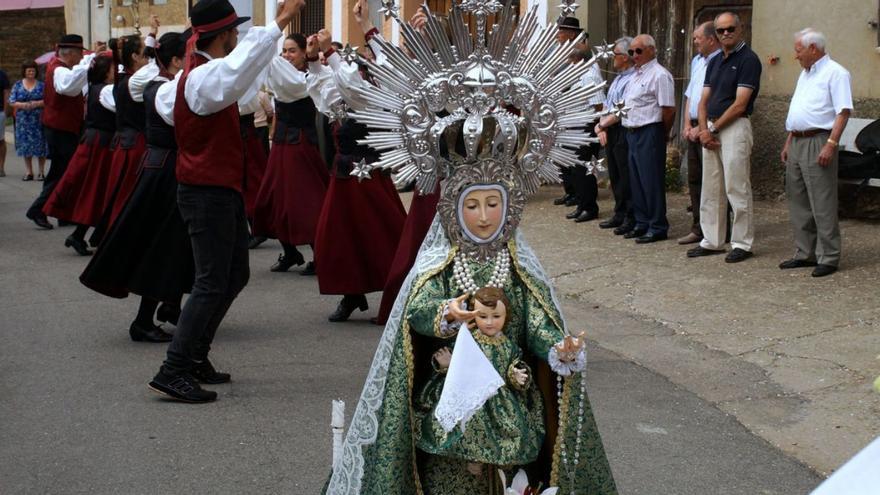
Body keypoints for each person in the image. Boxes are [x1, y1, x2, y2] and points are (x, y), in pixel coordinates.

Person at [147, 0, 304, 404]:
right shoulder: (203, 77)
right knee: (212, 281)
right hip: (206, 191)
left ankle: (195, 355)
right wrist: (280, 23)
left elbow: (241, 79)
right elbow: (236, 73)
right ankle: (174, 367)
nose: (238, 36)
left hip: (217, 189)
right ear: (223, 35)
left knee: (234, 276)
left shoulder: (199, 75)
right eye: (234, 30)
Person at [80, 31, 193, 343]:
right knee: (161, 243)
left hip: (163, 165)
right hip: (163, 169)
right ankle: (146, 319)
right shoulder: (156, 83)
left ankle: (170, 306)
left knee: (174, 243)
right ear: (174, 60)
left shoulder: (158, 80)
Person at [306, 13, 406, 322]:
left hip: (369, 177)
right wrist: (313, 59)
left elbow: (354, 84)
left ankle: (400, 293)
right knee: (338, 237)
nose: (358, 66)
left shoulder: (375, 94)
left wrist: (358, 33)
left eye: (363, 62)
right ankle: (352, 294)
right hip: (343, 175)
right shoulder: (343, 94)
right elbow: (323, 89)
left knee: (382, 236)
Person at [415, 287, 543, 481]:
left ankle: (506, 457)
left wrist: (515, 374)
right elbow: (459, 365)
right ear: (475, 316)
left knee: (514, 426)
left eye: (496, 316)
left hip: (500, 398)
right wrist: (446, 364)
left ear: (506, 316)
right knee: (470, 424)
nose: (490, 322)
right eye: (483, 316)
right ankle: (474, 459)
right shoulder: (468, 339)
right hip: (471, 394)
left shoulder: (509, 346)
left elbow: (512, 364)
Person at [252, 32, 329, 274]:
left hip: (300, 147)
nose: (286, 55)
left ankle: (321, 257)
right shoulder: (285, 77)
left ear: (304, 54)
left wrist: (276, 24)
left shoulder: (303, 80)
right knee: (272, 199)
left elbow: (280, 75)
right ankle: (290, 252)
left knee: (305, 203)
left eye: (292, 50)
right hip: (283, 145)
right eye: (284, 50)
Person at [690, 12, 762, 263]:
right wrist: (703, 129)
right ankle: (712, 240)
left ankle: (742, 243)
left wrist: (713, 129)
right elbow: (703, 99)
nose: (726, 33)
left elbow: (740, 104)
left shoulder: (749, 60)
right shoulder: (715, 61)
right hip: (711, 127)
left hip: (733, 128)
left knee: (736, 186)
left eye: (730, 28)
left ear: (739, 29)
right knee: (711, 189)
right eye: (720, 30)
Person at [780, 29, 852, 278]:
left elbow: (843, 111)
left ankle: (829, 256)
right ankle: (805, 253)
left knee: (822, 201)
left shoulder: (837, 73)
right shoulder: (805, 73)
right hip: (798, 141)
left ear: (813, 48)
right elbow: (800, 110)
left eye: (798, 50)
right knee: (798, 200)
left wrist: (831, 143)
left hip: (819, 140)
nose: (795, 55)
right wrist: (789, 141)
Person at [41, 53, 116, 256]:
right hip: (100, 144)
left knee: (96, 190)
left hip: (97, 142)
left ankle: (85, 235)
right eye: (112, 68)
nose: (115, 71)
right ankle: (82, 235)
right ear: (104, 71)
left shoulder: (95, 89)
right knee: (95, 190)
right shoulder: (106, 91)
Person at [25, 34, 92, 230]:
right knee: (61, 173)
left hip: (62, 128)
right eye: (80, 53)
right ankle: (38, 209)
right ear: (70, 54)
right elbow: (67, 88)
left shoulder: (59, 67)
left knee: (64, 172)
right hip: (60, 129)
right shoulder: (60, 70)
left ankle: (62, 212)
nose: (81, 57)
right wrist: (86, 65)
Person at [619, 34, 675, 244]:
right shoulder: (635, 76)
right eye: (631, 52)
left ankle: (657, 225)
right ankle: (642, 222)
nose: (634, 55)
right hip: (632, 131)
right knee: (636, 180)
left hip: (650, 130)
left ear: (651, 50)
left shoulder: (660, 75)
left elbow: (668, 109)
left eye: (639, 51)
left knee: (651, 181)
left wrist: (662, 132)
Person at [678, 22, 721, 245]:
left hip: (710, 126)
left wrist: (702, 127)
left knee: (713, 182)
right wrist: (686, 123)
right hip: (693, 125)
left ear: (710, 40)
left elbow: (717, 99)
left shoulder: (721, 61)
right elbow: (690, 95)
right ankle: (698, 227)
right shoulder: (697, 61)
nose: (694, 41)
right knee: (695, 179)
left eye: (697, 38)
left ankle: (719, 228)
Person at [595, 36, 636, 234]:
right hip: (609, 127)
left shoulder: (632, 78)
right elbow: (607, 104)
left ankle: (630, 215)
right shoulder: (617, 78)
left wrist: (604, 123)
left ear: (627, 57)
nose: (613, 57)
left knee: (625, 174)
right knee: (615, 173)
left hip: (621, 129)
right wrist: (600, 126)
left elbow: (622, 109)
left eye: (616, 54)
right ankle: (619, 212)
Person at [566, 23, 605, 224]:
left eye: (570, 60)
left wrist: (597, 127)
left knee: (585, 169)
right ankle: (581, 204)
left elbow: (599, 105)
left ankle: (590, 207)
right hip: (576, 124)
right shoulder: (577, 74)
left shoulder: (589, 75)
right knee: (576, 169)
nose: (569, 63)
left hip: (587, 125)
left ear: (577, 59)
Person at [552, 16, 584, 209]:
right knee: (561, 152)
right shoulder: (557, 50)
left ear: (571, 33)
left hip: (573, 106)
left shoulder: (581, 50)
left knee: (573, 153)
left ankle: (577, 194)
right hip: (558, 108)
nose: (558, 34)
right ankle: (569, 190)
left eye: (562, 31)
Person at [8, 62, 48, 180]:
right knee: (26, 146)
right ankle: (29, 172)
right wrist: (22, 105)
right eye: (29, 71)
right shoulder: (18, 85)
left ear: (36, 72)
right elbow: (11, 101)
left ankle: (41, 172)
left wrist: (37, 103)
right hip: (23, 120)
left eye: (33, 71)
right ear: (24, 72)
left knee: (41, 145)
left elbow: (48, 100)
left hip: (39, 119)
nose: (31, 73)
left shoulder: (41, 85)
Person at [0, 68, 9, 178]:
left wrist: (6, 111)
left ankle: (1, 167)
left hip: (0, 111)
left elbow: (6, 92)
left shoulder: (2, 74)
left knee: (0, 140)